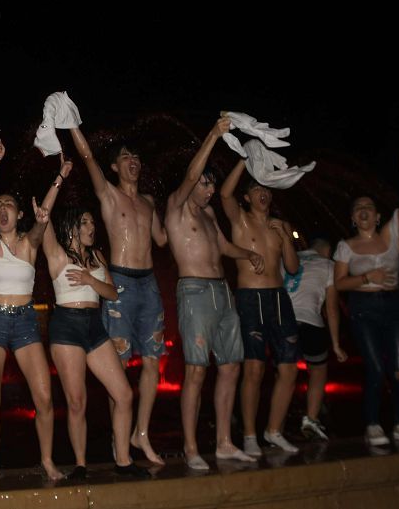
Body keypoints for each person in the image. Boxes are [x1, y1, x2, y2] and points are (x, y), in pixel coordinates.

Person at [164, 117, 262, 468]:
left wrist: (248, 253)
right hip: (194, 292)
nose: (208, 190)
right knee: (196, 370)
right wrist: (213, 135)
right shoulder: (176, 206)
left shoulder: (208, 215)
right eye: (205, 184)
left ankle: (223, 442)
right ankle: (191, 448)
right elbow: (192, 174)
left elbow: (223, 246)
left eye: (211, 186)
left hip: (223, 292)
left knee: (231, 365)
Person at [40, 168, 151, 479]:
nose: (92, 227)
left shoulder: (99, 257)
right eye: (86, 222)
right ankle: (80, 464)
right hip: (66, 326)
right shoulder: (58, 256)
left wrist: (90, 278)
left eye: (92, 222)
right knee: (77, 401)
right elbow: (44, 215)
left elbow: (113, 293)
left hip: (94, 326)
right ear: (73, 226)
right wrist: (58, 178)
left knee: (124, 394)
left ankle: (124, 461)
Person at [68, 122, 168, 465]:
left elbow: (162, 240)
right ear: (115, 167)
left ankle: (141, 433)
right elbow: (85, 156)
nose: (132, 161)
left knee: (154, 361)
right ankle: (119, 438)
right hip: (121, 284)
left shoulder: (149, 202)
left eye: (136, 157)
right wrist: (72, 124)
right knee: (120, 366)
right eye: (125, 157)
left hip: (149, 283)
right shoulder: (108, 194)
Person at [0, 141, 65, 483]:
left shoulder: (29, 243)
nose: (2, 209)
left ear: (19, 213)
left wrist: (56, 183)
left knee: (44, 397)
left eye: (9, 205)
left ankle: (48, 461)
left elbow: (41, 225)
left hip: (25, 322)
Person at [332, 151, 399, 446]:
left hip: (394, 305)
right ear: (352, 218)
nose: (364, 211)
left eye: (368, 207)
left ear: (377, 215)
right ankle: (372, 424)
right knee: (375, 367)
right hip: (364, 308)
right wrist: (365, 278)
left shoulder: (389, 235)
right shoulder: (345, 246)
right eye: (358, 208)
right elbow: (339, 283)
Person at [220, 158, 302, 455]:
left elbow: (292, 268)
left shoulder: (280, 225)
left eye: (266, 189)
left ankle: (274, 430)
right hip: (250, 298)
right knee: (254, 369)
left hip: (279, 298)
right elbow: (225, 195)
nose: (262, 194)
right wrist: (244, 160)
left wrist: (285, 237)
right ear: (247, 197)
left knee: (289, 368)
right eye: (255, 189)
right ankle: (251, 435)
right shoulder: (240, 219)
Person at [283, 235, 347, 441]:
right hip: (310, 322)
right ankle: (310, 418)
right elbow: (331, 308)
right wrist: (336, 344)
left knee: (284, 374)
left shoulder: (287, 258)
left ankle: (276, 425)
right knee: (318, 370)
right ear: (327, 250)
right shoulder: (329, 265)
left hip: (284, 323)